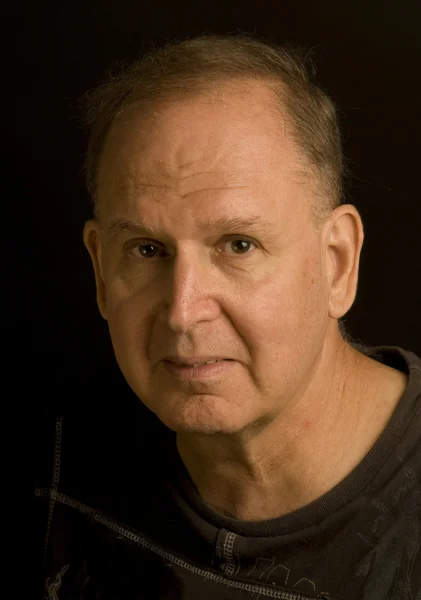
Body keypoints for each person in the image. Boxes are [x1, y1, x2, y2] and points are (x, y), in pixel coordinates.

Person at [35, 34, 420, 599]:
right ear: (99, 271)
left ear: (337, 264)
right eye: (146, 250)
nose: (183, 312)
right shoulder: (57, 464)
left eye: (238, 246)